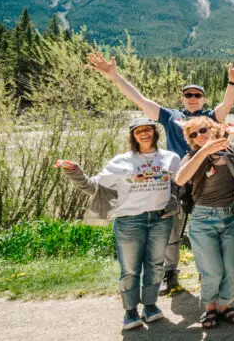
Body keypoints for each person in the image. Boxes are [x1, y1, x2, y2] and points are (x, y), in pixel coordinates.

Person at [86, 52, 234, 296]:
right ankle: (170, 273)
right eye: (188, 94)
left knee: (211, 228)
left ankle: (211, 278)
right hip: (180, 180)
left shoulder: (212, 117)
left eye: (197, 95)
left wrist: (232, 82)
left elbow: (227, 105)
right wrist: (114, 76)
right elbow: (140, 99)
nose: (193, 98)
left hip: (209, 184)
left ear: (203, 99)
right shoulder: (171, 116)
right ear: (183, 97)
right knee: (173, 229)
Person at [56, 118, 181, 330]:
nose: (144, 133)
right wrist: (76, 173)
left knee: (155, 265)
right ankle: (130, 312)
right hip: (130, 221)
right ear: (133, 136)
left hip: (161, 220)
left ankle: (150, 307)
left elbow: (177, 185)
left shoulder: (171, 158)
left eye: (148, 129)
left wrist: (174, 201)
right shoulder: (120, 162)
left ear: (155, 132)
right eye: (138, 131)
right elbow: (93, 187)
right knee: (130, 269)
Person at [175, 119, 234, 329]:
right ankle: (210, 307)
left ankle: (225, 305)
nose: (200, 136)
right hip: (203, 219)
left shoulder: (233, 153)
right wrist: (203, 152)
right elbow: (180, 179)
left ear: (213, 129)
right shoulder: (193, 157)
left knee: (231, 268)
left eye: (202, 130)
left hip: (230, 217)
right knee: (212, 270)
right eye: (193, 135)